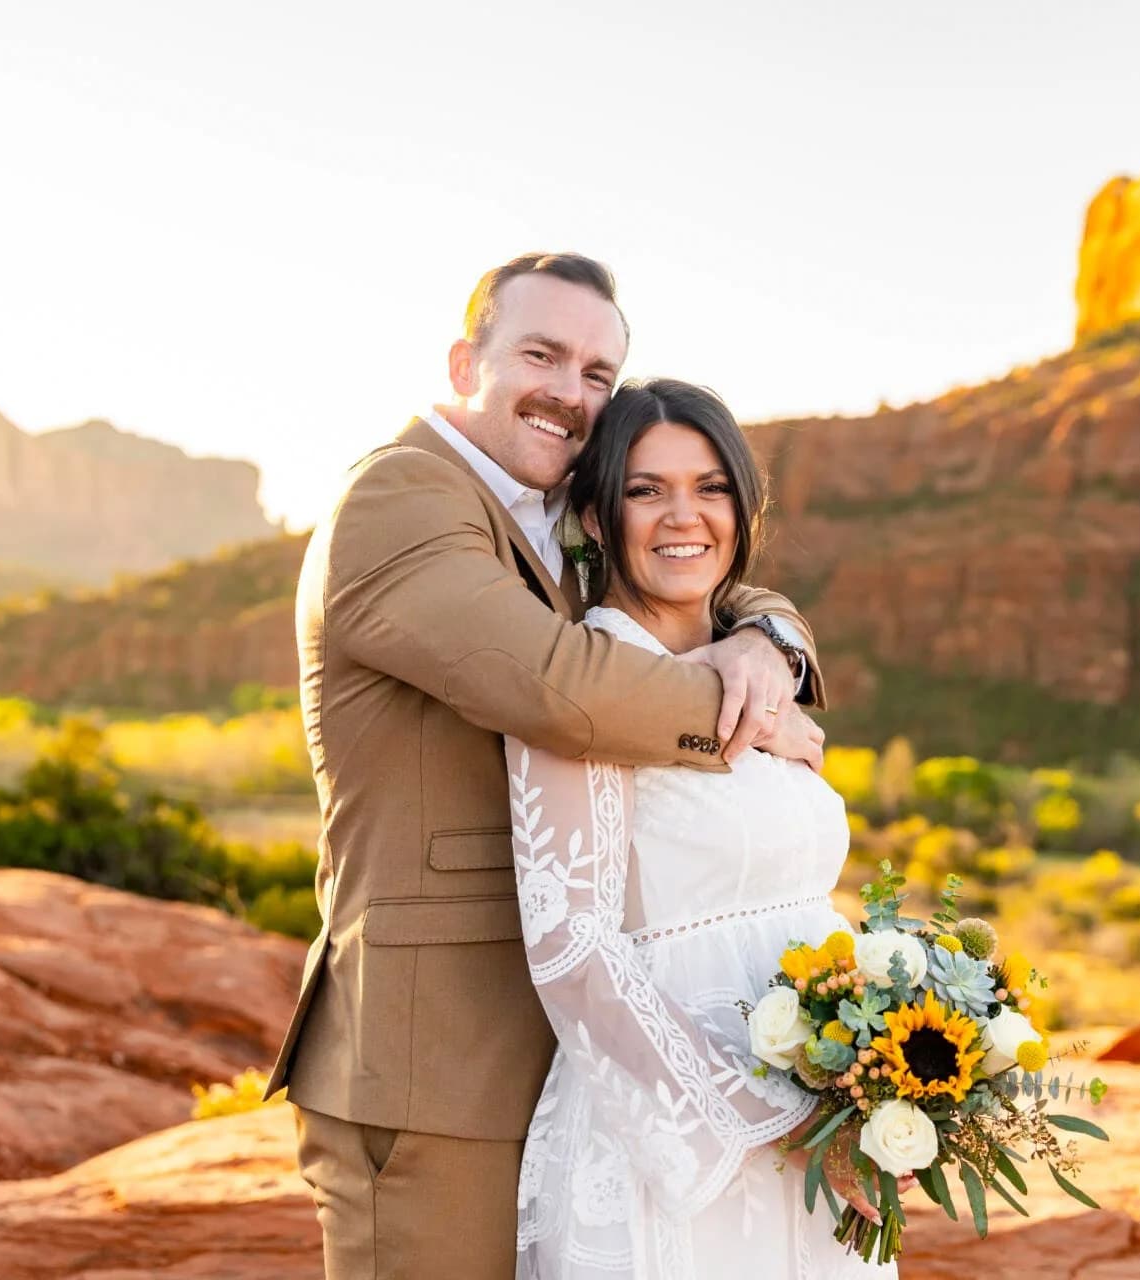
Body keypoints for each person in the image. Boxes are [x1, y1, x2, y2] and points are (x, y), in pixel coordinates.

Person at [266, 253, 828, 1279]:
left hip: (567, 1071)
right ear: (462, 360)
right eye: (542, 354)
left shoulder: (549, 515)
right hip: (433, 1061)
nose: (570, 393)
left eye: (597, 372)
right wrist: (749, 717)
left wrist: (768, 641)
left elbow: (682, 556)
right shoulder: (399, 498)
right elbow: (560, 683)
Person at [506, 379, 880, 1277]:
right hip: (675, 1138)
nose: (686, 515)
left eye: (711, 487)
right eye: (646, 490)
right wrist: (766, 1120)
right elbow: (571, 945)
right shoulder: (580, 685)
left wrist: (880, 1077)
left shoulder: (764, 665)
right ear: (595, 518)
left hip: (826, 1116)